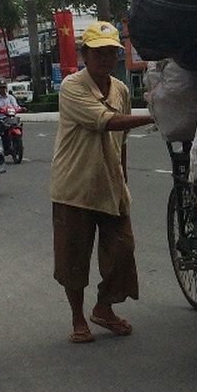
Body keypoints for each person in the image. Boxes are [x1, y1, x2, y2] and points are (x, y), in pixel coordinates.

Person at [50, 20, 155, 343]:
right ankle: (78, 318)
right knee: (73, 259)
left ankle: (104, 307)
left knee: (123, 250)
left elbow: (121, 140)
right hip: (75, 187)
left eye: (111, 52)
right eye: (98, 52)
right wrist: (155, 116)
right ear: (85, 55)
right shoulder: (72, 86)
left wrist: (123, 180)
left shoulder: (120, 89)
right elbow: (105, 121)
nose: (106, 58)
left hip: (110, 184)